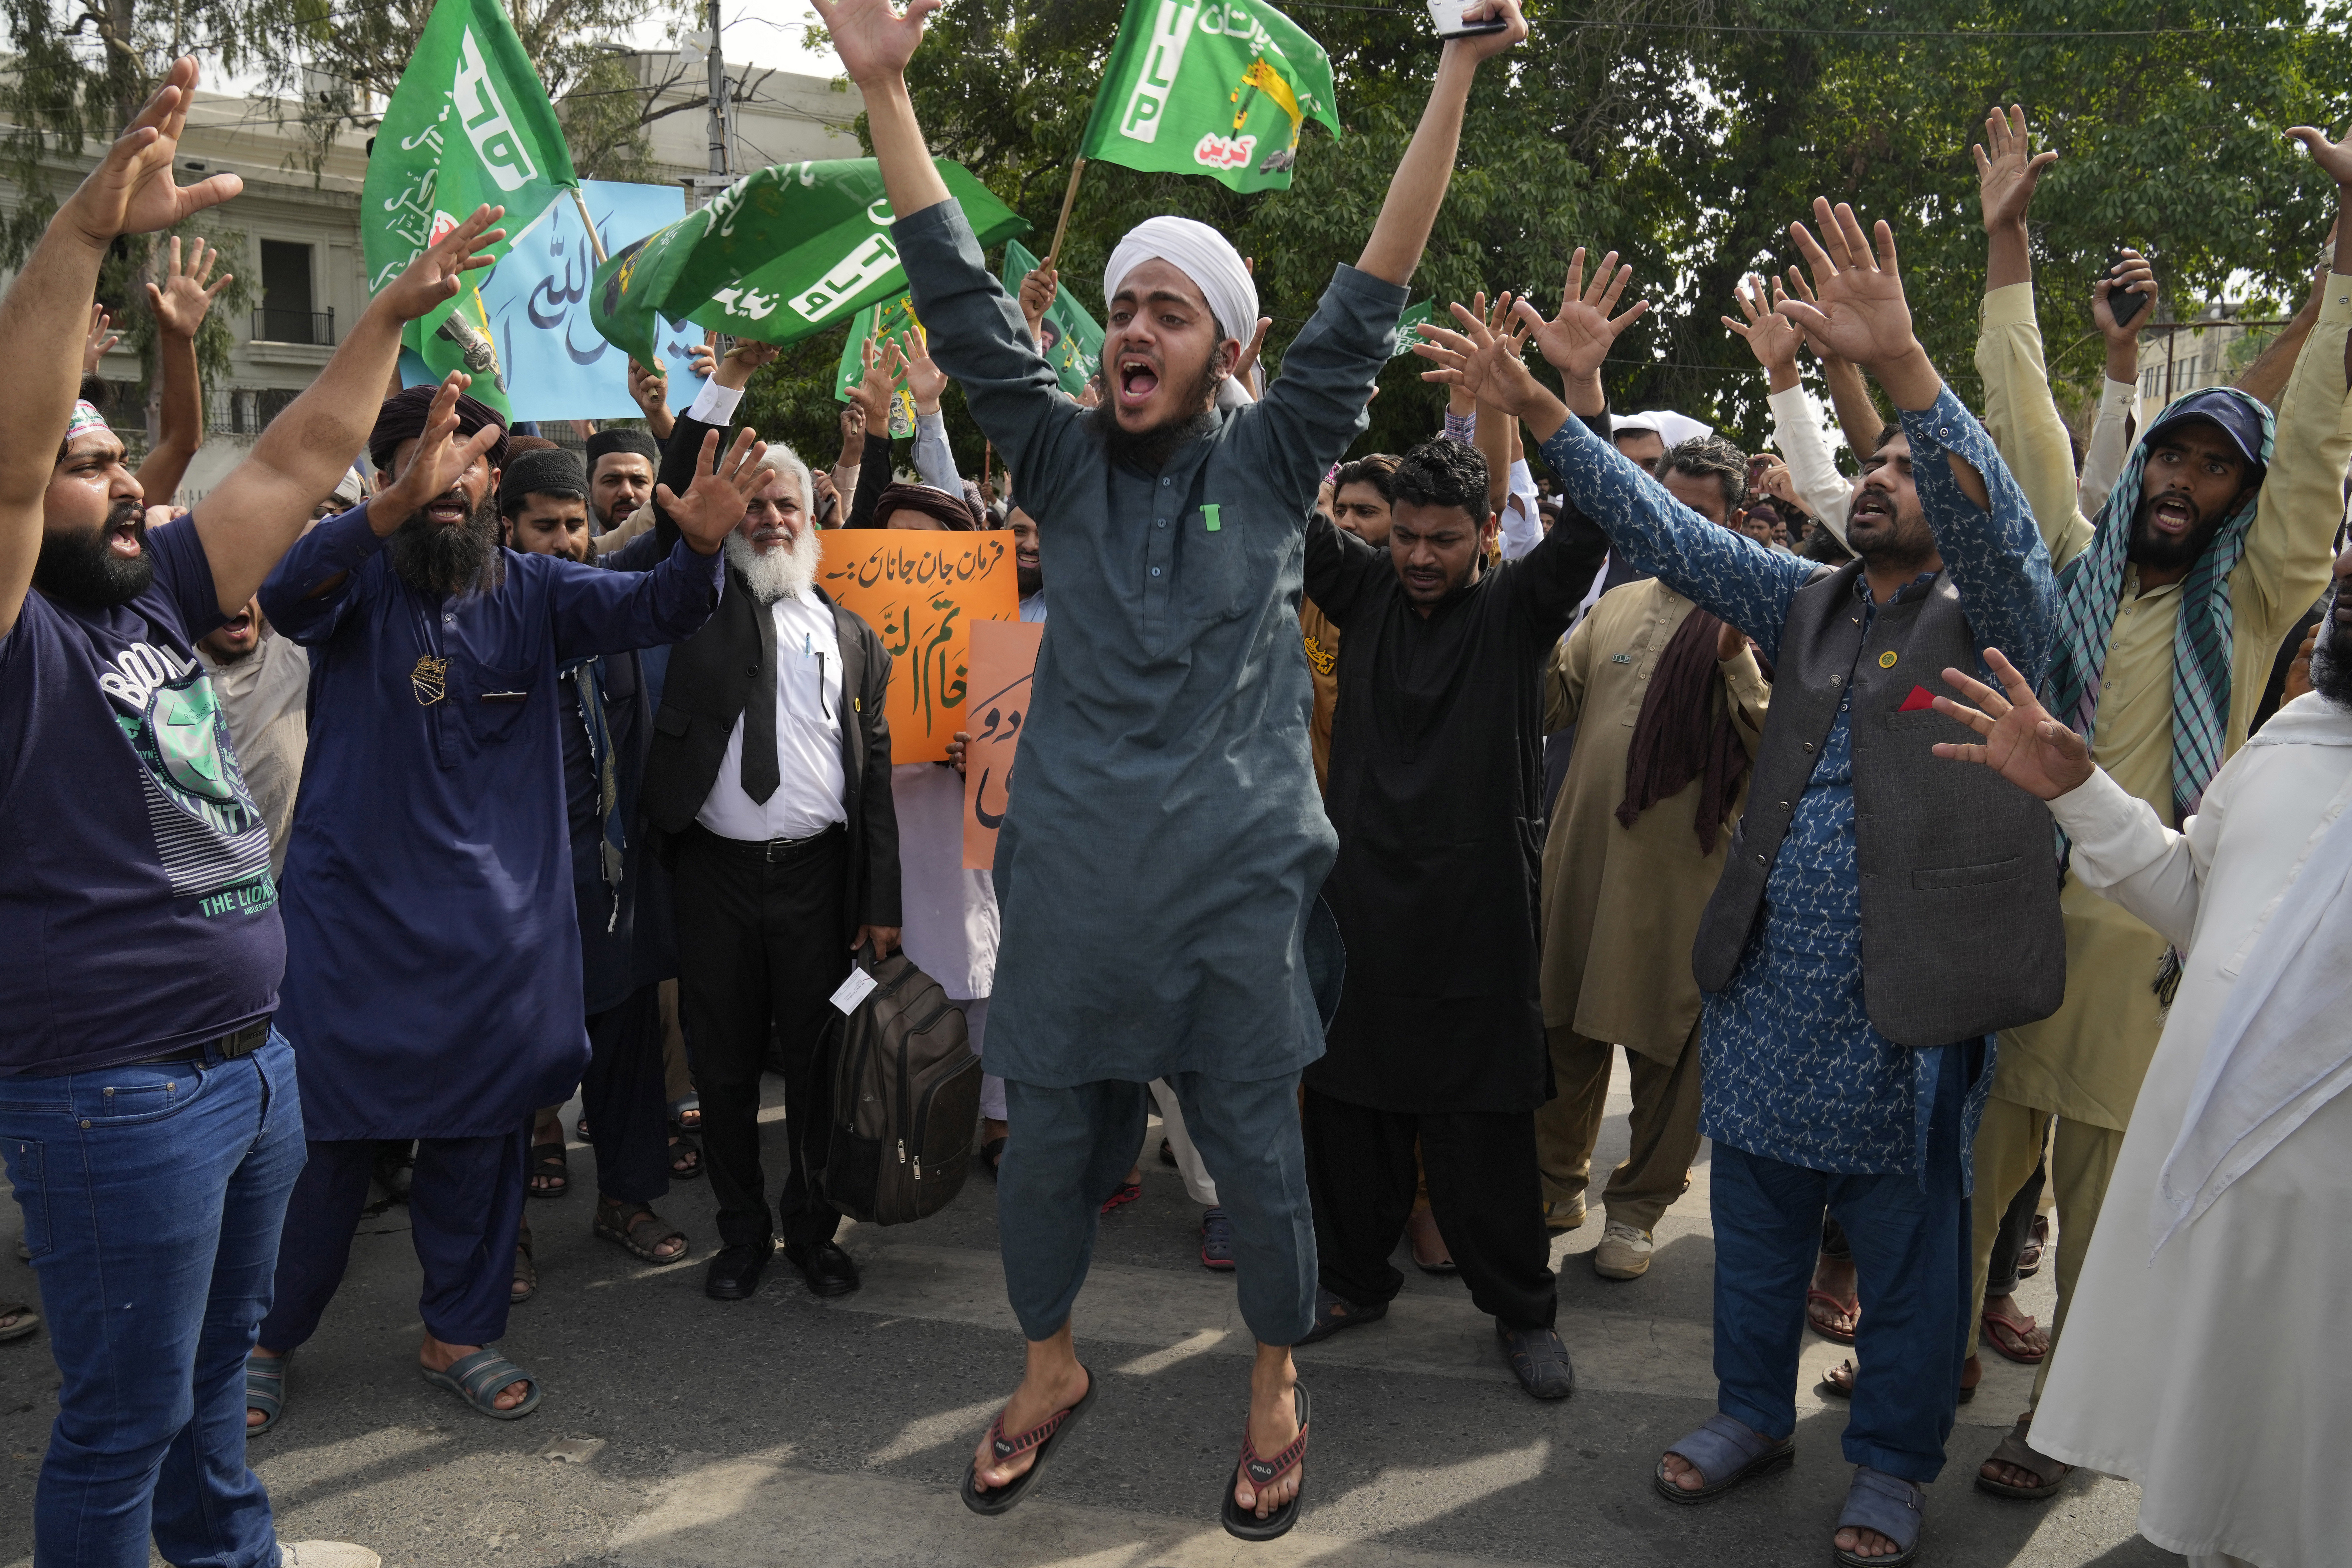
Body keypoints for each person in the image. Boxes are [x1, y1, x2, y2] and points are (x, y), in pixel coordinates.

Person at [812, 0, 1530, 1536]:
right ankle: (1050, 1362)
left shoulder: (1275, 466)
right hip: (1070, 893)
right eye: (1122, 305)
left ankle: (1275, 1379)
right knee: (1048, 1154)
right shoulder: (1057, 456)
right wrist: (884, 93)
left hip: (1231, 904)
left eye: (1170, 310)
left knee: (1261, 1161)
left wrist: (1458, 68)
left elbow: (1380, 276)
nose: (1132, 327)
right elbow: (954, 296)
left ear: (1227, 351)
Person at [1417, 201, 2060, 1565]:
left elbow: (1997, 528)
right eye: (1871, 466)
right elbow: (1662, 523)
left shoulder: (2004, 620)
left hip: (1910, 1012)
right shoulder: (1811, 601)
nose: (1878, 477)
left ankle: (1887, 1461)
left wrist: (1904, 375)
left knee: (1908, 1263)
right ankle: (1747, 1415)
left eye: (1901, 468)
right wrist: (1541, 406)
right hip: (1768, 995)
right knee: (1759, 1233)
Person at [0, 61, 427, 1568]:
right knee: (121, 1422)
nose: (131, 487)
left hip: (252, 1079)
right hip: (118, 1097)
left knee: (206, 1402)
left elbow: (306, 457)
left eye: (128, 463)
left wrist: (386, 312)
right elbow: (9, 453)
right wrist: (80, 241)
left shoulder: (162, 594)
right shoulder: (19, 637)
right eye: (90, 465)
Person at [1937, 107, 2352, 1495]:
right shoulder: (2077, 570)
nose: (2177, 482)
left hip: (2152, 952)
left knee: (2108, 1219)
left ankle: (2058, 1419)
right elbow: (2022, 426)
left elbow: (2315, 448)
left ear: (2240, 497)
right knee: (1963, 1186)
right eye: (2167, 457)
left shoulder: (2251, 606)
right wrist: (2004, 244)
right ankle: (1929, 1361)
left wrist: (2347, 252)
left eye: (2209, 467)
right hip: (2013, 929)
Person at [243, 351, 752, 1428]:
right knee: (321, 1156)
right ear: (385, 484)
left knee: (478, 1152)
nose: (444, 481)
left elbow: (659, 603)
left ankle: (459, 1332)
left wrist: (703, 545)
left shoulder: (534, 592)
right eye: (415, 463)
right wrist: (378, 513)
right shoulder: (351, 584)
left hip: (492, 949)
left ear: (494, 483)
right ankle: (264, 1340)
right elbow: (282, 596)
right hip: (351, 943)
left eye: (467, 462)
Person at [1925, 532, 2352, 1567]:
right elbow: (2197, 903)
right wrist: (2080, 793)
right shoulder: (2299, 734)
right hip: (2217, 1189)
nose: (2345, 584)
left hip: (2327, 1222)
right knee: (2227, 1469)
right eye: (2349, 564)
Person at [1295, 426, 1609, 1398]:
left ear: (1486, 533)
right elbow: (1284, 502)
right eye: (1405, 537)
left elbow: (1595, 519)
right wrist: (1245, 388)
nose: (1421, 558)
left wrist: (1576, 396)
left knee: (1485, 1134)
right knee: (1349, 1114)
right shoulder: (1363, 590)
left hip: (1481, 925)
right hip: (1364, 914)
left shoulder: (1519, 609)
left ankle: (1522, 1310)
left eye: (1442, 539)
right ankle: (1351, 1281)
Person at [636, 359, 902, 1305]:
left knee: (822, 1063)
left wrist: (879, 906)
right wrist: (717, 402)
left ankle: (813, 1229)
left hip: (819, 883)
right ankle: (741, 1233)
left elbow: (871, 788)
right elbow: (670, 504)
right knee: (724, 1065)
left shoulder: (854, 636)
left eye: (787, 503)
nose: (771, 518)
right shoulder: (692, 601)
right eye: (754, 504)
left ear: (812, 521)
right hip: (712, 878)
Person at [1535, 425, 1772, 1279]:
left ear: (1732, 520)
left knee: (1670, 1053)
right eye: (1667, 505)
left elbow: (1778, 739)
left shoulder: (1762, 604)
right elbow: (1552, 705)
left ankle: (1635, 1211)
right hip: (1584, 862)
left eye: (1698, 513)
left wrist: (1737, 659)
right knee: (1561, 1029)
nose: (1677, 524)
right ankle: (1556, 1184)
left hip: (1684, 879)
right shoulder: (1617, 603)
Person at [495, 447, 693, 1283]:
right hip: (513, 895)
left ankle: (627, 1200)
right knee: (506, 1070)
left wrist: (723, 389)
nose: (568, 541)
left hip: (612, 881)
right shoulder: (477, 618)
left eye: (576, 525)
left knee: (625, 1051)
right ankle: (502, 1236)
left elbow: (676, 525)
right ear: (505, 528)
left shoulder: (607, 605)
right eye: (547, 526)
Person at [1303, 453, 1398, 790]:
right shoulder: (1307, 598)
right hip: (1316, 813)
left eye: (1365, 512)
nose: (1346, 523)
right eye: (1340, 510)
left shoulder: (1422, 608)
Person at [585, 427, 660, 535]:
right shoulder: (573, 551)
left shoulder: (679, 550)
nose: (627, 492)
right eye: (612, 481)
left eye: (639, 481)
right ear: (590, 493)